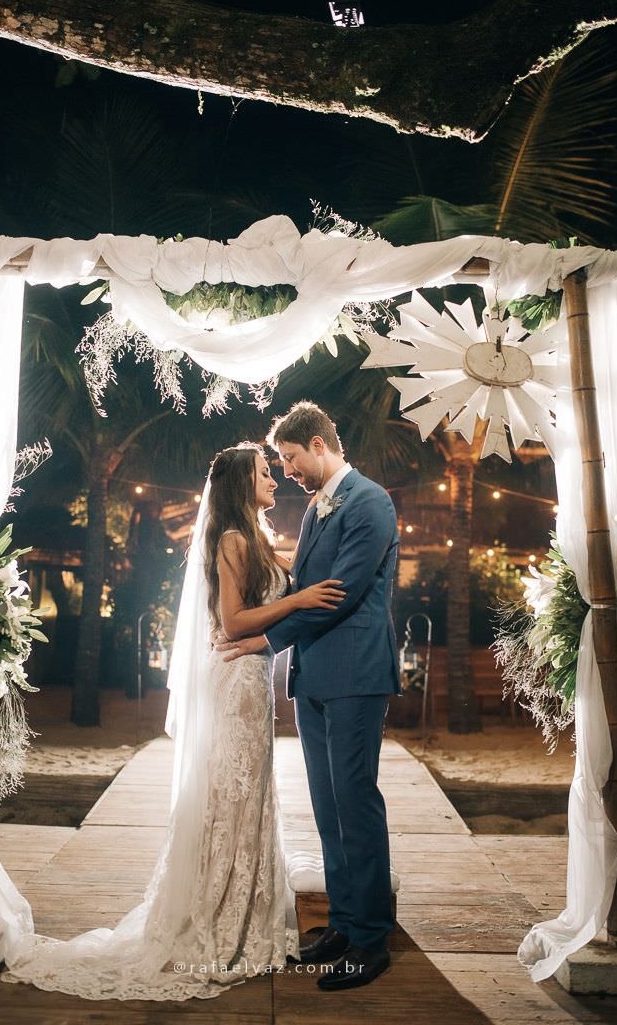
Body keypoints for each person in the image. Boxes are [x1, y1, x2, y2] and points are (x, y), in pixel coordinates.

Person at [3, 442, 344, 1001]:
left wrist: (303, 581)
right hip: (235, 678)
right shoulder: (231, 540)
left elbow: (290, 581)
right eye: (265, 473)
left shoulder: (255, 537)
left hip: (253, 679)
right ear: (241, 483)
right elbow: (232, 622)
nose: (274, 480)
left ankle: (245, 918)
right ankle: (218, 921)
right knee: (231, 793)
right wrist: (298, 600)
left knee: (250, 793)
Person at [223, 403, 400, 992]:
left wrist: (267, 639)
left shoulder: (370, 502)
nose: (288, 471)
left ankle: (371, 938)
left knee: (356, 803)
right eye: (281, 462)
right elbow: (303, 586)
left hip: (355, 675)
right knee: (327, 807)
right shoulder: (317, 507)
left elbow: (339, 594)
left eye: (291, 458)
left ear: (319, 444)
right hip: (315, 677)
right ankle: (343, 924)